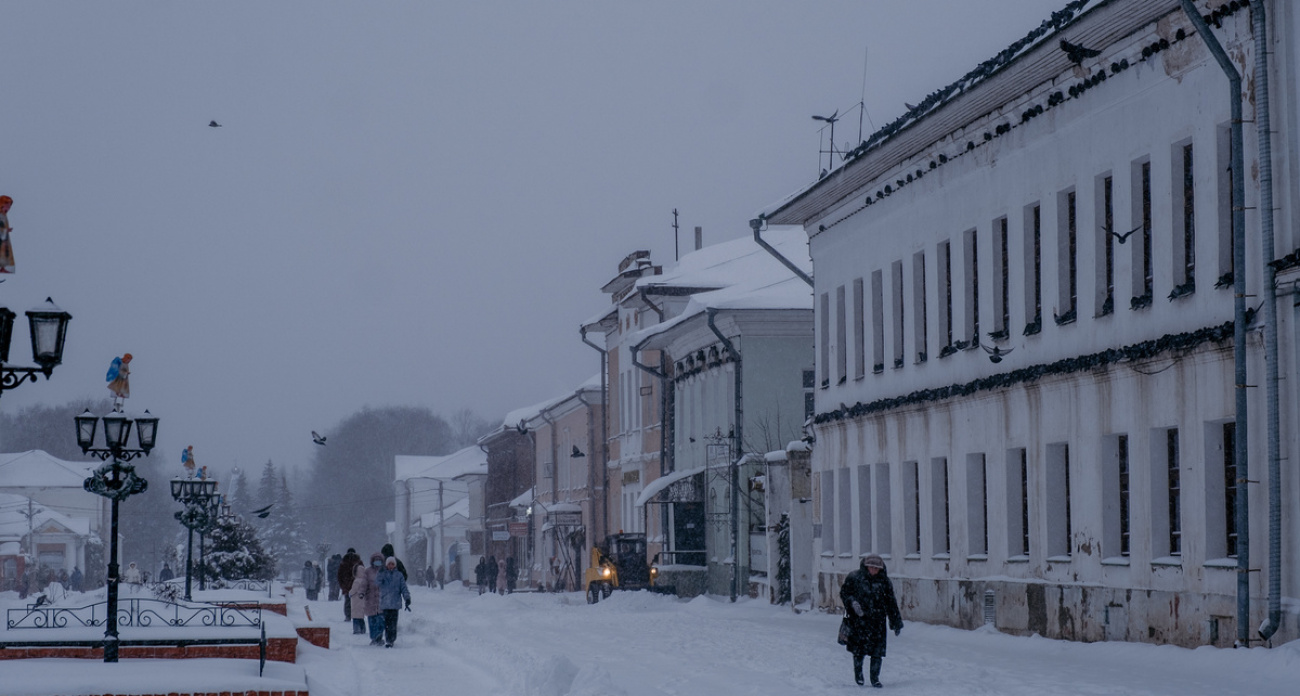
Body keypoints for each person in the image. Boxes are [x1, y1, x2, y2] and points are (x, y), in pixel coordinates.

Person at [840, 554, 903, 688]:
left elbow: (891, 603)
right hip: (859, 620)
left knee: (877, 652)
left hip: (877, 621)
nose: (874, 570)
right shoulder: (855, 578)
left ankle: (875, 678)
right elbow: (845, 593)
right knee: (858, 650)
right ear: (866, 566)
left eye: (876, 568)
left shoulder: (884, 582)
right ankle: (858, 673)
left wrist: (896, 623)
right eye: (871, 567)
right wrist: (852, 602)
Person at [350, 552, 386, 645]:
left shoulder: (385, 571)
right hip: (371, 600)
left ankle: (379, 636)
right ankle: (374, 637)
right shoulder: (368, 571)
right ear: (372, 561)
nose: (377, 562)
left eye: (379, 560)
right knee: (372, 620)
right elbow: (364, 584)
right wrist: (361, 592)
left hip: (382, 600)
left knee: (381, 620)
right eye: (375, 560)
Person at [376, 556, 411, 648]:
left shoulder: (399, 575)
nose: (390, 566)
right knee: (387, 623)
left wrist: (407, 598)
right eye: (389, 564)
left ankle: (392, 639)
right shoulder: (383, 574)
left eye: (392, 564)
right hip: (385, 603)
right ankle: (388, 640)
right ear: (386, 565)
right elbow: (377, 583)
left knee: (393, 623)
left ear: (394, 565)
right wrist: (380, 573)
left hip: (395, 603)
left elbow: (404, 588)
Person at [338, 548, 364, 632]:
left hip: (347, 585)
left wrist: (342, 586)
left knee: (348, 601)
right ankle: (357, 617)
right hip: (357, 585)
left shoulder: (343, 562)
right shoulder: (358, 562)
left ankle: (348, 616)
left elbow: (339, 575)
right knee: (357, 603)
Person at [0, 195, 16, 274]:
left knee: (4, 254)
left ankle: (2, 268)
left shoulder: (4, 215)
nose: (7, 209)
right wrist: (5, 230)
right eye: (6, 207)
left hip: (3, 238)